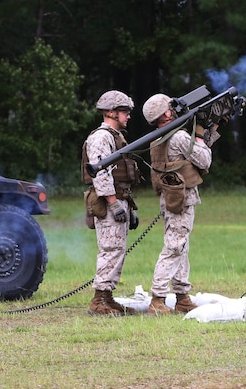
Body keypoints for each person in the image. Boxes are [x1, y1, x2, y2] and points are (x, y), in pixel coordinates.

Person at [141, 92, 217, 315]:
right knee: (174, 247)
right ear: (166, 113)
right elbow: (205, 160)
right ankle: (158, 299)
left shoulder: (158, 138)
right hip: (181, 200)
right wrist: (201, 136)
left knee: (180, 246)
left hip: (170, 198)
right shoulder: (179, 137)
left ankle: (182, 297)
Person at [81, 90, 140, 316]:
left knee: (117, 249)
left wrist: (127, 205)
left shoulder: (115, 136)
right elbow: (100, 172)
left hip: (119, 199)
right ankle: (99, 301)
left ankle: (107, 297)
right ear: (110, 112)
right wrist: (114, 203)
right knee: (110, 249)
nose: (128, 116)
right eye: (124, 111)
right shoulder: (101, 138)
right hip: (108, 202)